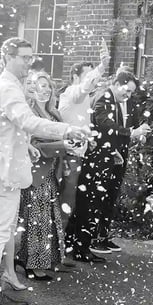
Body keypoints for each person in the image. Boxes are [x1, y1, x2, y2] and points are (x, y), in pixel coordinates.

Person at [0, 37, 90, 305]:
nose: (29, 62)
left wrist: (26, 144)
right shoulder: (8, 87)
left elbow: (8, 127)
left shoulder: (5, 85)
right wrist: (66, 130)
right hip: (4, 170)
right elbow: (27, 121)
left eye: (30, 57)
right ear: (7, 57)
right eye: (23, 57)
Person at [64, 71, 150, 260]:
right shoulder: (104, 97)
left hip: (109, 158)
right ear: (117, 83)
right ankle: (80, 247)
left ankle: (79, 244)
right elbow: (104, 125)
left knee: (98, 202)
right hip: (96, 159)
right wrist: (131, 133)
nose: (128, 95)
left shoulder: (118, 99)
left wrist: (129, 139)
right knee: (90, 203)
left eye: (131, 93)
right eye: (126, 90)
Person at [17, 71, 70, 281]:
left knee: (49, 218)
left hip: (52, 172)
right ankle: (32, 264)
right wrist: (63, 146)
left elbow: (65, 138)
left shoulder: (54, 113)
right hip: (35, 171)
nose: (45, 90)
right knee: (37, 219)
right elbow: (35, 145)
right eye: (40, 86)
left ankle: (46, 259)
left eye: (48, 86)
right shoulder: (29, 114)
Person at [56, 52, 107, 229]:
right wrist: (101, 67)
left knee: (72, 201)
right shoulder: (72, 92)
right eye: (88, 76)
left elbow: (80, 123)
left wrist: (89, 138)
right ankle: (58, 242)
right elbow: (83, 89)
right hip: (68, 155)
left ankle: (62, 241)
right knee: (66, 200)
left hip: (77, 154)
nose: (92, 80)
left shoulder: (83, 98)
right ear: (75, 76)